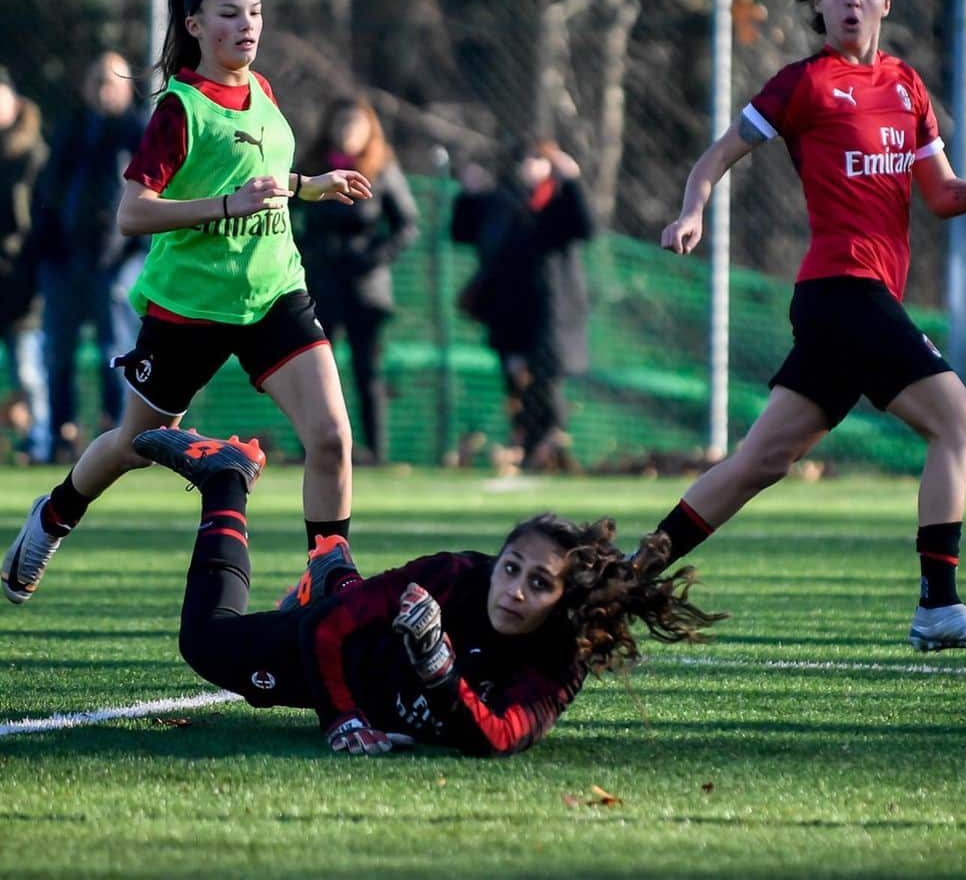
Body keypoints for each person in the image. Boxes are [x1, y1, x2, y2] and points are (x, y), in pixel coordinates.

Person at [655, 0, 966, 653]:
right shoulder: (804, 87)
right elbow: (717, 155)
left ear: (887, 1)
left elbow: (942, 196)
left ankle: (632, 572)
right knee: (960, 426)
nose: (852, 0)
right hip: (841, 289)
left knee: (760, 460)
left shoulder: (907, 89)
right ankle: (938, 607)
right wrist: (691, 210)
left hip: (853, 301)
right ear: (817, 4)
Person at [1, 0, 372, 606]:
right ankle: (53, 516)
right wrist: (228, 205)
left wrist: (309, 186)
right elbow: (134, 212)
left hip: (273, 294)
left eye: (254, 11)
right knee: (133, 446)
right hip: (187, 309)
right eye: (229, 13)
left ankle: (330, 583)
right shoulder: (181, 107)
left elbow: (263, 178)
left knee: (333, 439)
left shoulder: (263, 89)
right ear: (196, 25)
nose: (247, 24)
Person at [129, 425, 725, 757]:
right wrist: (343, 720)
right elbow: (326, 629)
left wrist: (439, 666)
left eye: (539, 583)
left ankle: (334, 569)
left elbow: (501, 737)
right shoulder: (456, 576)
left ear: (563, 600)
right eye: (512, 568)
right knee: (204, 643)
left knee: (348, 606)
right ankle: (228, 478)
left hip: (388, 673)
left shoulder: (560, 660)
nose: (513, 590)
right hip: (345, 655)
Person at [451, 138, 593, 472]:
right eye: (523, 159)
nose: (527, 166)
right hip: (509, 306)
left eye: (536, 159)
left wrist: (572, 181)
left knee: (547, 378)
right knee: (514, 376)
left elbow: (586, 226)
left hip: (553, 308)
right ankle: (527, 443)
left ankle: (548, 443)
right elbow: (461, 232)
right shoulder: (499, 201)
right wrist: (468, 195)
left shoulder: (558, 198)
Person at [32, 52, 146, 460]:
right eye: (96, 80)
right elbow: (47, 194)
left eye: (111, 81)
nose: (103, 89)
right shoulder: (70, 131)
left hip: (115, 262)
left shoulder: (138, 131)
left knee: (113, 349)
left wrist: (129, 254)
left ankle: (117, 434)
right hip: (66, 261)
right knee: (57, 352)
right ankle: (64, 436)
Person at [294, 96, 419, 465]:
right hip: (322, 283)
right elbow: (285, 211)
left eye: (356, 125)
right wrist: (305, 252)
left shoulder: (382, 170)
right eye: (341, 123)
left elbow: (406, 225)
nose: (348, 132)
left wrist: (372, 257)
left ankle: (375, 452)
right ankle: (316, 448)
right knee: (317, 368)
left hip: (366, 287)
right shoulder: (313, 168)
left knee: (367, 369)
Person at [0, 66, 49, 463]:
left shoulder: (34, 154)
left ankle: (41, 443)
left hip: (24, 281)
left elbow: (38, 222)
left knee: (29, 371)